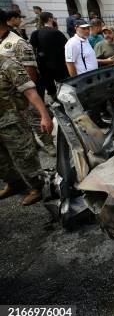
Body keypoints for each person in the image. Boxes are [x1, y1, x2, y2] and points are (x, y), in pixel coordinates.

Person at [0, 51, 53, 206]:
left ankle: (38, 188)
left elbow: (30, 92)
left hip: (12, 122)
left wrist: (44, 115)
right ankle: (13, 183)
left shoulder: (8, 65)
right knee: (1, 160)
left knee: (25, 156)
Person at [29, 11, 69, 99]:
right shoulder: (56, 32)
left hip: (43, 65)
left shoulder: (36, 33)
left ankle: (54, 99)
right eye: (54, 18)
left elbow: (31, 48)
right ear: (50, 19)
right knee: (63, 84)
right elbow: (67, 47)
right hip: (59, 64)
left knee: (49, 84)